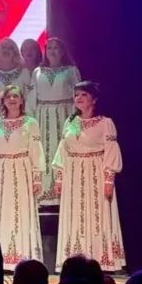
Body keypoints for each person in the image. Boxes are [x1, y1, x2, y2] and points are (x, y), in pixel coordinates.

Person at [53, 81, 125, 272]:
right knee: (75, 215)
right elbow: (62, 150)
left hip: (95, 173)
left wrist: (109, 179)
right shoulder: (70, 122)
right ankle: (75, 259)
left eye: (84, 94)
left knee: (97, 215)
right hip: (73, 175)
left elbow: (111, 151)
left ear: (94, 99)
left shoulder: (105, 123)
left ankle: (101, 260)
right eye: (76, 94)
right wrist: (59, 177)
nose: (79, 98)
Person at [0, 85, 45, 269]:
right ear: (3, 101)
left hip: (22, 169)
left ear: (21, 100)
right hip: (1, 171)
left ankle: (23, 258)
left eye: (15, 96)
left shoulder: (30, 122)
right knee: (2, 213)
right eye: (8, 96)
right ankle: (2, 259)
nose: (12, 99)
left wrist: (37, 176)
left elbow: (36, 150)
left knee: (21, 212)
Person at [29, 37, 81, 205]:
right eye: (49, 47)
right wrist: (31, 121)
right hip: (43, 116)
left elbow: (78, 96)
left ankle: (65, 193)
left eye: (56, 47)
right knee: (45, 151)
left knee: (62, 149)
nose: (52, 50)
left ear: (63, 51)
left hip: (64, 114)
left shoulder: (71, 70)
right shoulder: (37, 72)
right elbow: (31, 98)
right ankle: (45, 194)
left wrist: (75, 119)